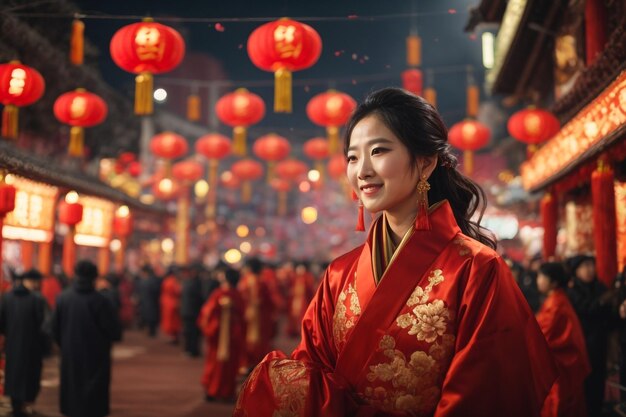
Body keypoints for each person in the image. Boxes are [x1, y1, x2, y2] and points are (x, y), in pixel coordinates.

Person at [234, 88, 557, 416]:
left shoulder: (478, 269)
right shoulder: (338, 274)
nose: (362, 171)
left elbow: (485, 397)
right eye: (353, 157)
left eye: (378, 151)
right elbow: (310, 375)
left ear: (425, 162)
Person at [51, 260, 122, 417]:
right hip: (96, 355)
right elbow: (114, 331)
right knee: (94, 398)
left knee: (72, 391)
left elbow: (53, 328)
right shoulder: (101, 301)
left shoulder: (63, 298)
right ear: (94, 277)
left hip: (70, 352)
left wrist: (64, 344)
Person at [535, 262, 590, 417]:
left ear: (553, 281)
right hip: (563, 363)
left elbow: (542, 335)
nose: (538, 280)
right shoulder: (556, 299)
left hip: (561, 366)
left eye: (541, 277)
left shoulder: (555, 304)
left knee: (558, 405)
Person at [566, 254, 612, 417]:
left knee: (599, 380)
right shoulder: (572, 291)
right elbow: (585, 308)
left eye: (591, 265)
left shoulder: (600, 287)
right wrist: (601, 303)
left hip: (600, 342)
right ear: (577, 271)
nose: (589, 270)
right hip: (581, 344)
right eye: (585, 266)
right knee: (585, 383)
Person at [0, 269, 48, 417]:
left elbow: (1, 323)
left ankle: (16, 406)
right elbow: (44, 325)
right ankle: (25, 404)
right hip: (32, 347)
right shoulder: (37, 300)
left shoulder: (7, 298)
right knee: (30, 376)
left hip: (12, 345)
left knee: (13, 374)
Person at [198, 266, 245, 402]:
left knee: (215, 362)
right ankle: (226, 391)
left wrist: (208, 328)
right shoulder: (237, 295)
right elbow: (242, 317)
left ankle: (212, 390)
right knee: (229, 365)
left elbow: (207, 313)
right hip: (232, 336)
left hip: (218, 335)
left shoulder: (218, 294)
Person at [237, 257, 276, 373]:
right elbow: (268, 301)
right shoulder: (261, 282)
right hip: (260, 316)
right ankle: (258, 365)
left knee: (246, 339)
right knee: (259, 340)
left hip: (246, 314)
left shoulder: (244, 281)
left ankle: (245, 364)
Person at [180, 263, 204, 357]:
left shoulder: (187, 282)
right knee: (193, 332)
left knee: (189, 332)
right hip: (193, 311)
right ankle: (193, 350)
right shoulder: (197, 283)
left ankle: (190, 349)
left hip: (188, 311)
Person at [160, 265, 182, 344]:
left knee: (170, 321)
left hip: (167, 303)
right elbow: (178, 291)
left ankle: (173, 337)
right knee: (174, 322)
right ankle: (174, 337)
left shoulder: (166, 281)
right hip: (173, 303)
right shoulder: (173, 281)